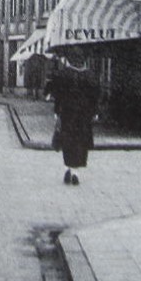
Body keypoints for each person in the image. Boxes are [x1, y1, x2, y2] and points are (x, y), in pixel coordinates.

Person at [47, 52, 101, 185]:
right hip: (84, 115)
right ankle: (76, 172)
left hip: (67, 113)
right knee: (80, 142)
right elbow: (95, 96)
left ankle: (67, 168)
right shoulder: (90, 75)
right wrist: (95, 112)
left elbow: (58, 94)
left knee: (67, 141)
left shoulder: (63, 74)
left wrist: (56, 111)